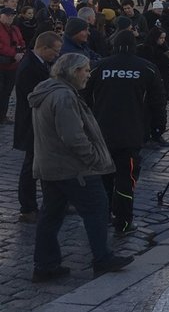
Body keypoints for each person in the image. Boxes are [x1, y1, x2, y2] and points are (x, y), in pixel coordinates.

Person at [29, 53, 134, 281]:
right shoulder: (64, 96)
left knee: (51, 215)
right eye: (86, 70)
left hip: (51, 165)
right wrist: (93, 158)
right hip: (72, 168)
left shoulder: (48, 90)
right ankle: (102, 258)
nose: (88, 74)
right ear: (74, 71)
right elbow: (73, 136)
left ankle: (45, 264)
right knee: (96, 208)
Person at [85, 30, 166, 235]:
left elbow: (84, 97)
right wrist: (158, 128)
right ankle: (123, 221)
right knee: (125, 179)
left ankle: (103, 216)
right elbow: (158, 102)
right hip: (131, 133)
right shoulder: (147, 68)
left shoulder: (99, 66)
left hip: (101, 132)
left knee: (103, 178)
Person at [13, 31, 62, 223]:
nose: (56, 55)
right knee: (31, 165)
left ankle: (42, 204)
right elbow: (36, 96)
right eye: (55, 51)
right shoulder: (29, 67)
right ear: (44, 48)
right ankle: (27, 207)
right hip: (31, 123)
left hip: (38, 122)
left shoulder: (39, 63)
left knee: (38, 163)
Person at [0, 5, 26, 123]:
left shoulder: (15, 29)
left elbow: (21, 41)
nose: (10, 18)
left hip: (12, 66)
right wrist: (13, 53)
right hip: (2, 65)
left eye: (12, 16)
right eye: (7, 15)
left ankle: (2, 116)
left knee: (7, 92)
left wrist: (21, 52)